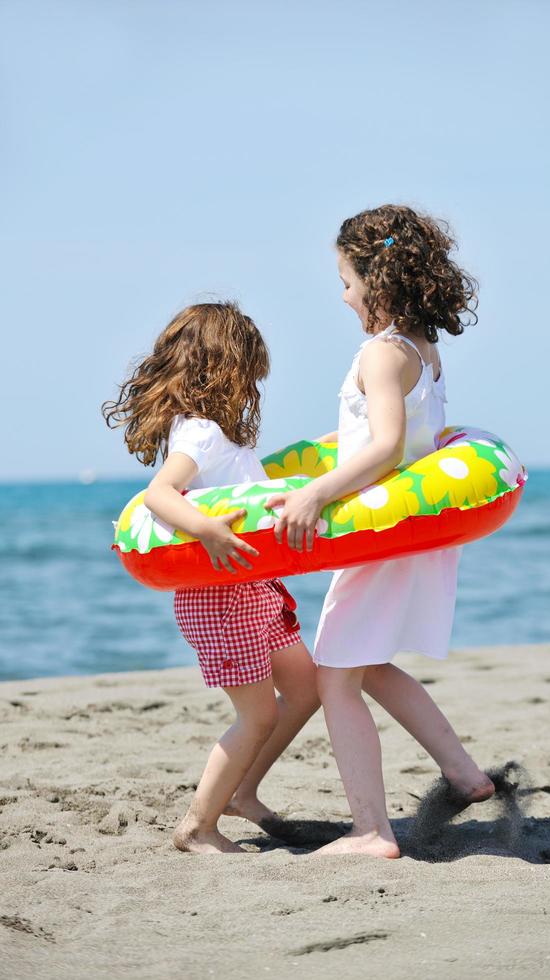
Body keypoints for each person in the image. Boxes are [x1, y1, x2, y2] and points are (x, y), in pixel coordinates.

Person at [267, 205, 495, 858]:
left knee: (337, 673)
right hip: (410, 538)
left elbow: (390, 447)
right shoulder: (423, 349)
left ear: (379, 280)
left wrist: (316, 490)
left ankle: (371, 831)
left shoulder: (381, 352)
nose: (342, 295)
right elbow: (391, 437)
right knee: (364, 666)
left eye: (345, 280)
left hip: (381, 538)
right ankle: (464, 774)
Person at [103, 302, 321, 854]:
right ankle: (198, 827)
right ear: (225, 369)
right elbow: (158, 493)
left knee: (306, 688)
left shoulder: (221, 436)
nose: (252, 389)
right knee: (258, 713)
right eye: (249, 376)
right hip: (221, 595)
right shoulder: (199, 432)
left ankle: (243, 793)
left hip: (257, 590)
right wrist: (206, 530)